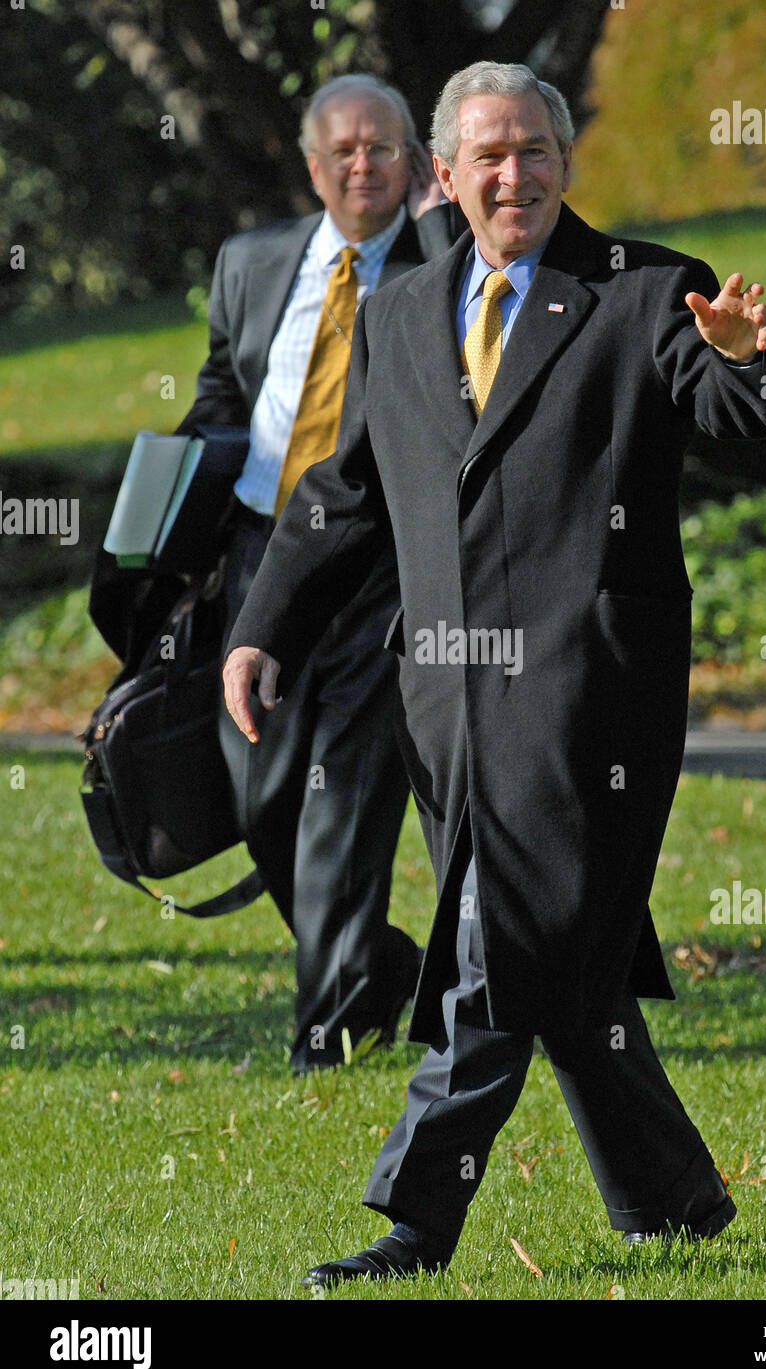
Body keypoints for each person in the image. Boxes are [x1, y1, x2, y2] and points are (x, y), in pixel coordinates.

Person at [222, 61, 766, 1283]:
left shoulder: (646, 290)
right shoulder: (401, 313)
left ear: (565, 161)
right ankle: (676, 1202)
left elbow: (737, 413)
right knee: (563, 967)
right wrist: (260, 625)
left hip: (588, 704)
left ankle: (416, 1220)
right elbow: (347, 497)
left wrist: (752, 360)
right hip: (447, 710)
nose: (514, 174)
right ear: (446, 176)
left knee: (494, 963)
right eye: (487, 155)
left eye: (534, 150)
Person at [174, 74, 460, 1072]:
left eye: (383, 146)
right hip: (263, 555)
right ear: (312, 165)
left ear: (417, 160)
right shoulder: (252, 263)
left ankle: (326, 1039)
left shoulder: (445, 260)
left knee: (345, 801)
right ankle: (382, 970)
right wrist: (180, 490)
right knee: (258, 797)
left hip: (382, 567)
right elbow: (222, 386)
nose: (363, 164)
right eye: (342, 149)